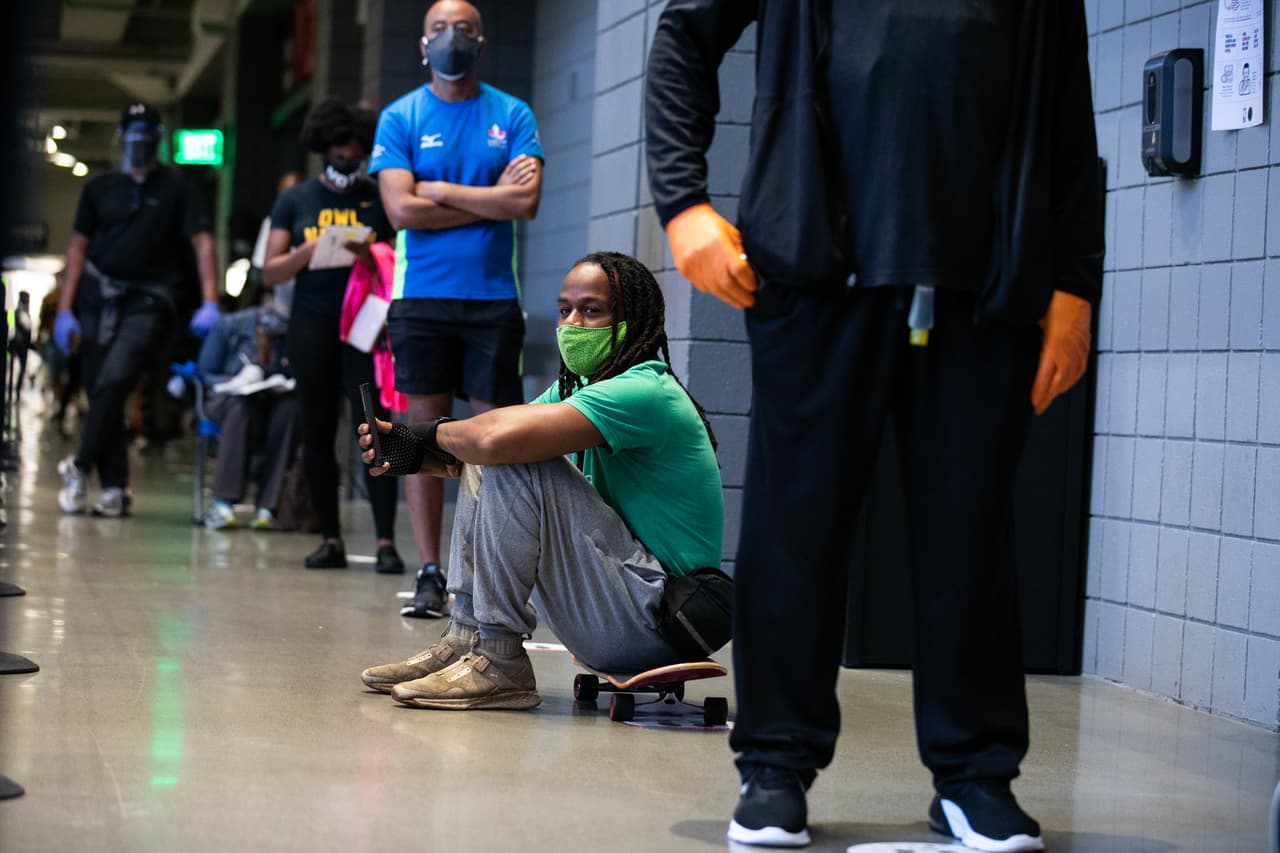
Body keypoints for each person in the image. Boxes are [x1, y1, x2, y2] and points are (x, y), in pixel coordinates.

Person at [646, 2, 1102, 850]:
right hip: (817, 279)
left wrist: (1075, 284)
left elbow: (1068, 115)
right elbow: (684, 34)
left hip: (983, 291)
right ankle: (774, 766)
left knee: (971, 538)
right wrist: (683, 203)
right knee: (796, 531)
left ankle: (975, 777)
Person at [356, 252, 721, 710]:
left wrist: (426, 432)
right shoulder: (581, 389)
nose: (572, 324)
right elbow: (484, 453)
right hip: (617, 608)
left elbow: (499, 441)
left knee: (507, 447)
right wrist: (415, 456)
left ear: (630, 321)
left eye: (591, 311)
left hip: (656, 618)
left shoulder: (645, 390)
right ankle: (466, 641)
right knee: (491, 452)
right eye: (564, 310)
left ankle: (500, 658)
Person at [369, 0, 543, 617]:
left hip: (494, 300)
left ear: (482, 42)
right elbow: (400, 212)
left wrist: (436, 188)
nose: (452, 39)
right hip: (421, 300)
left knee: (493, 440)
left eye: (464, 29)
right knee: (421, 435)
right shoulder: (401, 117)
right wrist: (490, 198)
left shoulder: (512, 114)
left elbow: (526, 205)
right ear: (422, 45)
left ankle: (484, 572)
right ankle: (432, 570)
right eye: (439, 30)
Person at [54, 103, 221, 517]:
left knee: (116, 379)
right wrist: (64, 308)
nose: (140, 140)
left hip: (149, 301)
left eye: (148, 133)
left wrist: (211, 300)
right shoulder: (100, 188)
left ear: (157, 139)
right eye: (133, 132)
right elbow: (77, 248)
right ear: (121, 137)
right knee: (99, 391)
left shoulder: (177, 189)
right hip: (96, 299)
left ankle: (79, 466)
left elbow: (202, 243)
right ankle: (113, 490)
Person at [262, 98, 404, 573]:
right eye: (340, 146)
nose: (348, 154)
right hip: (313, 324)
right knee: (318, 431)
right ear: (324, 146)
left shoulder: (377, 197)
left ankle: (386, 540)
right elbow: (270, 272)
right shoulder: (297, 199)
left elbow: (398, 256)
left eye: (356, 147)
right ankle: (330, 538)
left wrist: (372, 253)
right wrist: (310, 250)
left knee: (378, 428)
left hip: (366, 328)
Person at [197, 306, 299, 530]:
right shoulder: (229, 325)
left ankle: (268, 506)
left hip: (270, 402)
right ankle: (223, 502)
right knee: (241, 408)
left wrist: (269, 366)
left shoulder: (290, 332)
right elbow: (205, 372)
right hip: (229, 400)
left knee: (289, 410)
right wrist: (235, 379)